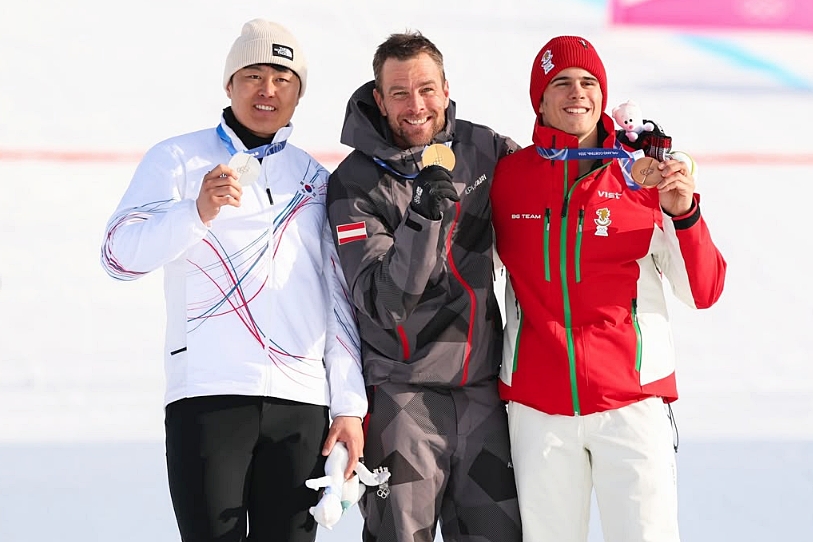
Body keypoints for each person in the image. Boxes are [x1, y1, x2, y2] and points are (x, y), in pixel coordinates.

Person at [100, 18, 367, 542]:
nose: (268, 90)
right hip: (209, 394)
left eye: (283, 78)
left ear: (299, 94)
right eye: (254, 74)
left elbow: (338, 300)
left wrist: (349, 407)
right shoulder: (178, 159)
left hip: (302, 405)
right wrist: (195, 212)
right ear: (229, 84)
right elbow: (118, 255)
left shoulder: (316, 180)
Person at [490, 35, 727, 542]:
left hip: (632, 403)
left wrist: (684, 212)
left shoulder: (643, 176)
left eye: (588, 82)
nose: (577, 93)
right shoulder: (508, 179)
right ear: (540, 98)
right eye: (561, 83)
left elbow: (703, 290)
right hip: (539, 409)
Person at [326, 31, 522, 542]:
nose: (416, 106)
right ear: (379, 98)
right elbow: (382, 302)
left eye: (427, 89)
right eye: (400, 93)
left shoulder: (485, 150)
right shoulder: (355, 183)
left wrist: (613, 156)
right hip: (403, 399)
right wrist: (423, 216)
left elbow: (548, 199)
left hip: (482, 396)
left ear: (446, 87)